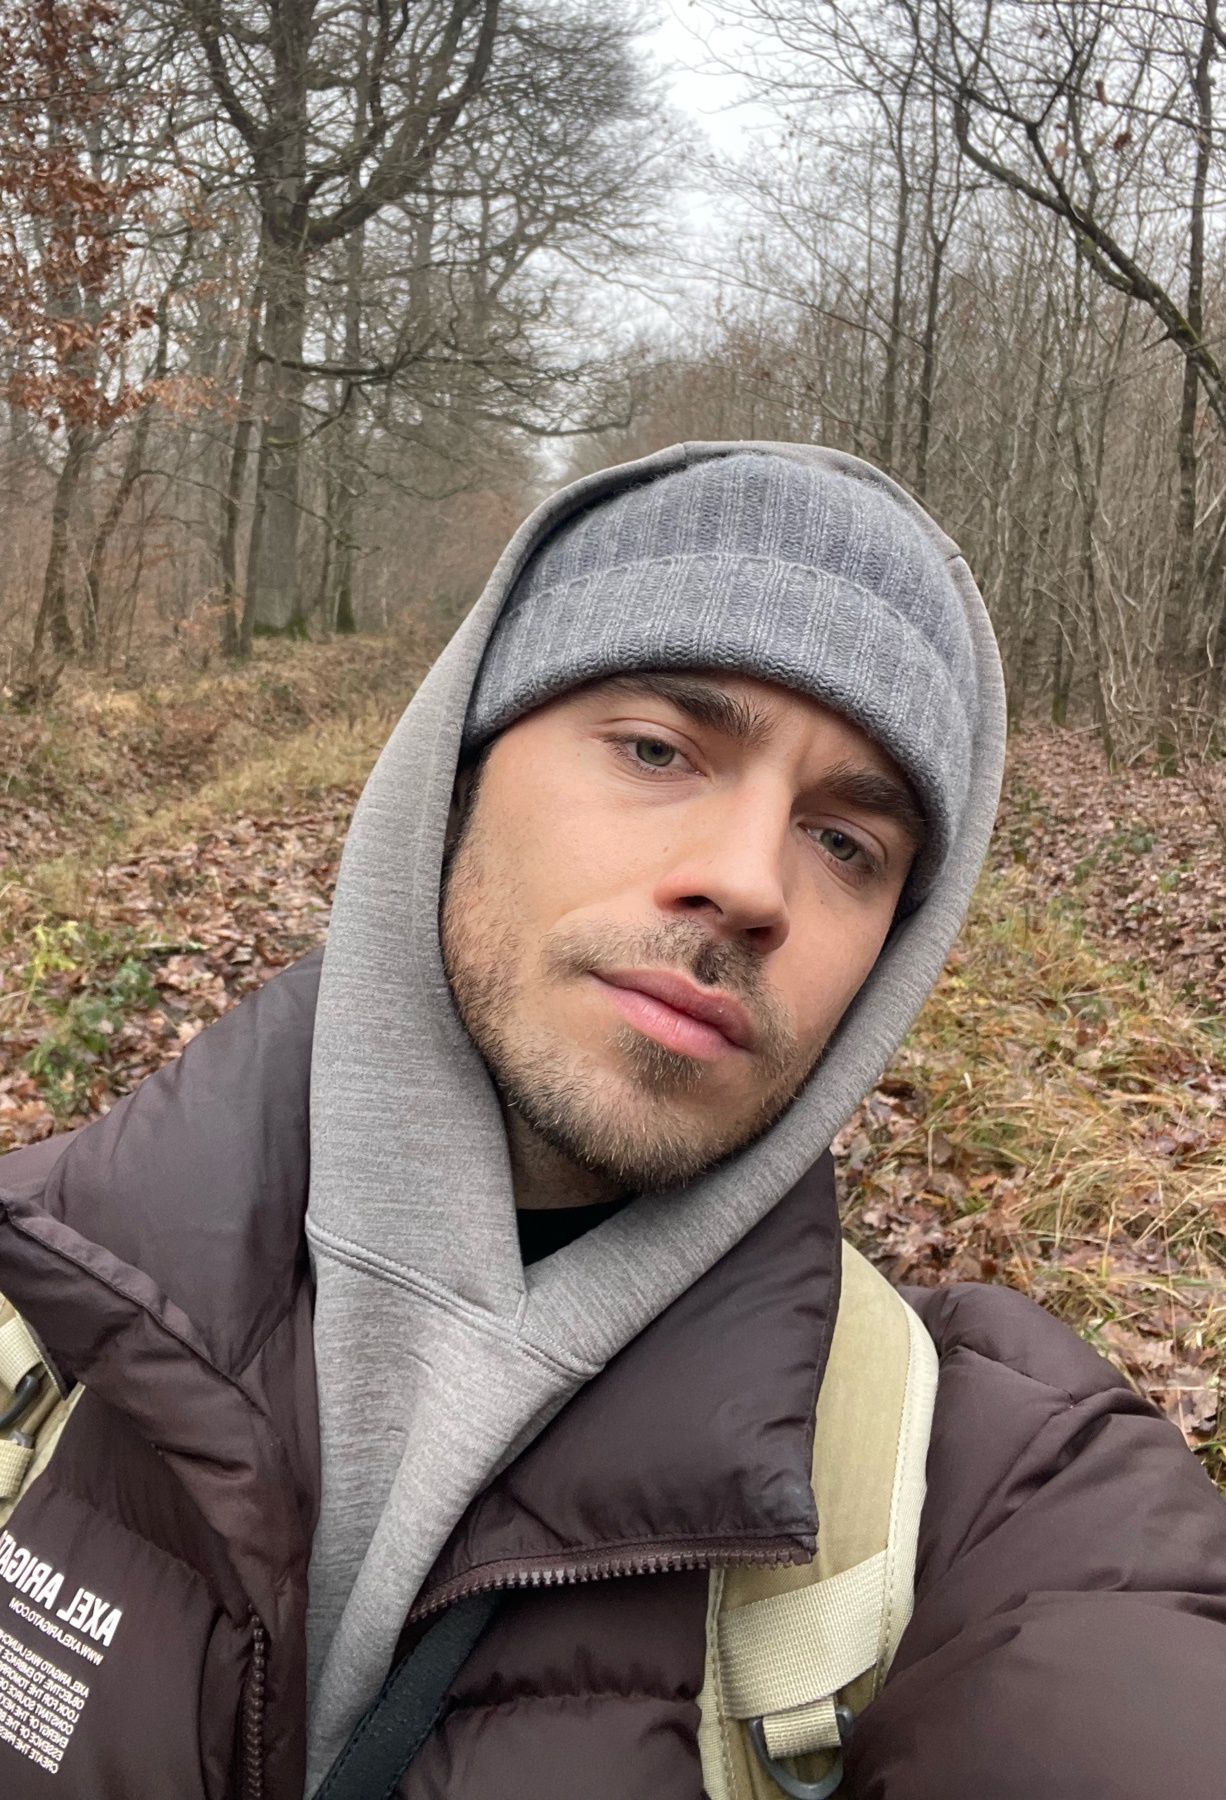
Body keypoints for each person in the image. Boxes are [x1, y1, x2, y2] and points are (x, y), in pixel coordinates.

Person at [0, 443, 1224, 1800]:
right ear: (454, 774)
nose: (748, 881)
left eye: (845, 844)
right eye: (656, 749)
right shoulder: (37, 1301)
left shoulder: (975, 1494)